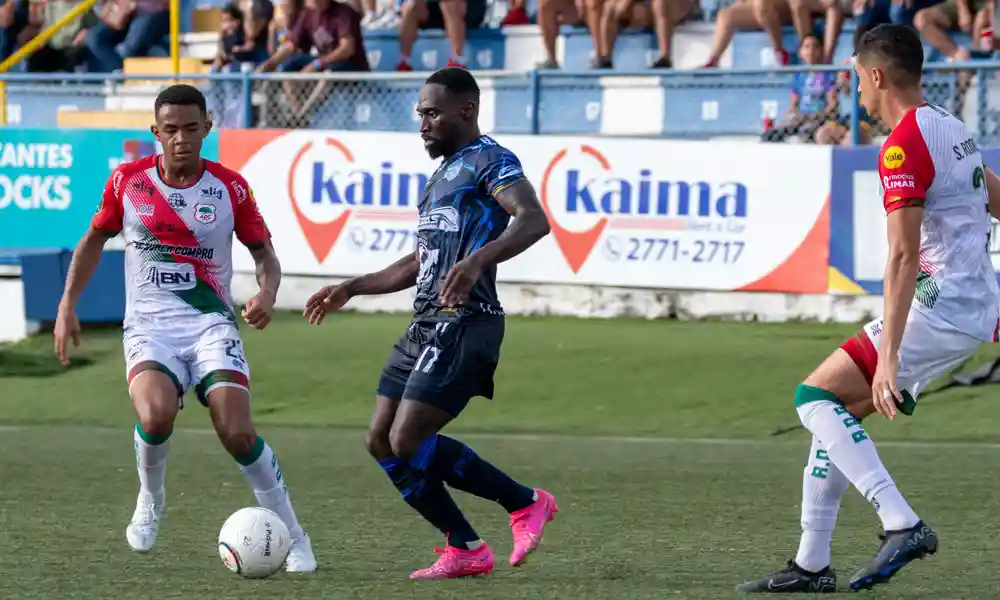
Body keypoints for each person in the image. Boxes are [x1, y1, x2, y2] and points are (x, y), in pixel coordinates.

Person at [737, 23, 1000, 593]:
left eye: (857, 77)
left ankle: (900, 521)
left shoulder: (904, 145)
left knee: (812, 397)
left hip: (942, 305)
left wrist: (889, 358)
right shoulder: (949, 126)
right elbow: (994, 199)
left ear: (877, 75)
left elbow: (903, 256)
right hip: (968, 306)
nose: (856, 90)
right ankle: (812, 563)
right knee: (836, 416)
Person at [303, 67, 557, 581]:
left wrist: (476, 261)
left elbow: (534, 219)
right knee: (379, 439)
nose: (422, 123)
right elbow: (418, 261)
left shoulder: (492, 160)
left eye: (432, 113)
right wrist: (351, 286)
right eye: (420, 113)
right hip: (424, 323)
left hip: (467, 321)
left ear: (465, 110)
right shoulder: (440, 176)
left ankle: (525, 502)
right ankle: (464, 547)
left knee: (406, 440)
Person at [53, 84, 317, 574]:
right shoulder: (127, 183)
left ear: (206, 129)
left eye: (191, 128)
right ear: (156, 132)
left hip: (211, 325)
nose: (180, 139)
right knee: (155, 417)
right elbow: (92, 241)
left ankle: (295, 537)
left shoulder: (230, 187)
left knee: (237, 432)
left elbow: (265, 256)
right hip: (150, 328)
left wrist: (267, 292)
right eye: (170, 130)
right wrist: (68, 303)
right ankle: (150, 501)